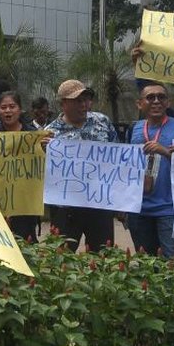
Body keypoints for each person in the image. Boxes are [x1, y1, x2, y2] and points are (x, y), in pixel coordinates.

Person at [44, 79, 117, 252]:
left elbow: (117, 157)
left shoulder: (102, 122)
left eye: (86, 99)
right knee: (62, 258)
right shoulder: (50, 132)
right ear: (63, 103)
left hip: (99, 204)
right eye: (77, 100)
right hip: (66, 207)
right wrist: (45, 152)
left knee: (102, 256)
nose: (84, 104)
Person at [127, 83, 174, 258]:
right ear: (139, 104)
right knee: (146, 264)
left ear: (168, 102)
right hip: (139, 210)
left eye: (161, 97)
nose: (156, 101)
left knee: (173, 264)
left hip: (171, 210)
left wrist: (164, 152)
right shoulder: (134, 129)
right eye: (150, 97)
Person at [0, 92, 50, 241]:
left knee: (26, 241)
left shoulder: (33, 135)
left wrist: (46, 149)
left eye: (12, 106)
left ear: (20, 109)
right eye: (3, 107)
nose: (8, 111)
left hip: (25, 202)